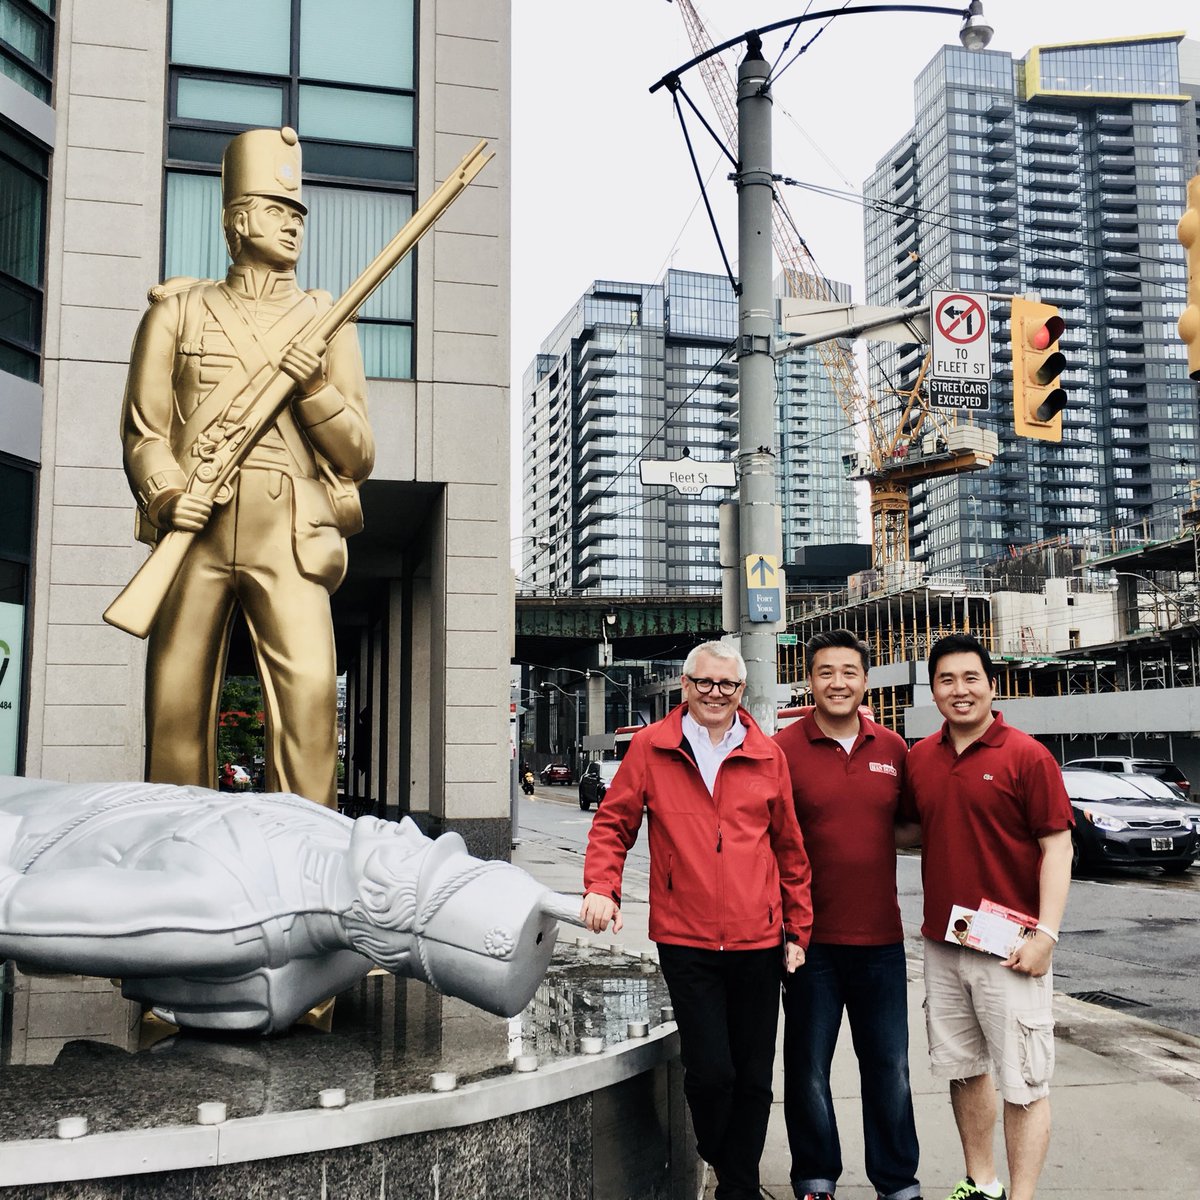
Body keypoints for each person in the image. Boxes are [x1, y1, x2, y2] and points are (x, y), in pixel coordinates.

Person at [121, 126, 374, 808]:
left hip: (289, 533)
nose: (293, 225)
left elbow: (358, 454)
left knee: (312, 702)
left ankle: (303, 856)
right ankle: (175, 853)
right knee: (175, 706)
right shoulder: (178, 310)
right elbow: (145, 433)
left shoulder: (328, 320)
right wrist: (171, 496)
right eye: (276, 210)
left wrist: (314, 387)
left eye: (297, 215)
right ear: (237, 218)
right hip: (196, 526)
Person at [0, 775, 584, 1034]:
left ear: (389, 918)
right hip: (54, 797)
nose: (406, 827)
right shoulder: (337, 845)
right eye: (429, 844)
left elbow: (15, 910)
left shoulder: (224, 908)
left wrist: (274, 993)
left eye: (416, 859)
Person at [581, 640, 812, 1200]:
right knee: (712, 1073)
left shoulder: (766, 754)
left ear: (741, 692)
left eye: (727, 685)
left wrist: (797, 931)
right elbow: (614, 825)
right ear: (685, 686)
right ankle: (720, 1155)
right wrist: (601, 888)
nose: (715, 694)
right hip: (685, 940)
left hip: (759, 939)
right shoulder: (652, 748)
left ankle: (738, 1185)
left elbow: (790, 850)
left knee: (754, 1075)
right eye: (704, 683)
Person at [902, 634, 1072, 1200]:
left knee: (1023, 1080)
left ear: (991, 685)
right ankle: (983, 1184)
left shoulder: (1027, 756)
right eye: (946, 680)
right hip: (944, 944)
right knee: (964, 1068)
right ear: (933, 691)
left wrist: (1046, 934)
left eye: (970, 678)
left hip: (1011, 945)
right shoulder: (921, 759)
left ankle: (1021, 1196)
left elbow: (1058, 847)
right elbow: (905, 829)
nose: (959, 690)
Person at [774, 629, 920, 1200]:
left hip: (881, 939)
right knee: (808, 1069)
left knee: (890, 1069)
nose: (838, 682)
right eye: (825, 672)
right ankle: (815, 1178)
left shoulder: (893, 750)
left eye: (849, 672)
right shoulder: (782, 750)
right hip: (807, 942)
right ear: (809, 680)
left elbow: (910, 825)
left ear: (866, 680)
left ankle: (897, 1182)